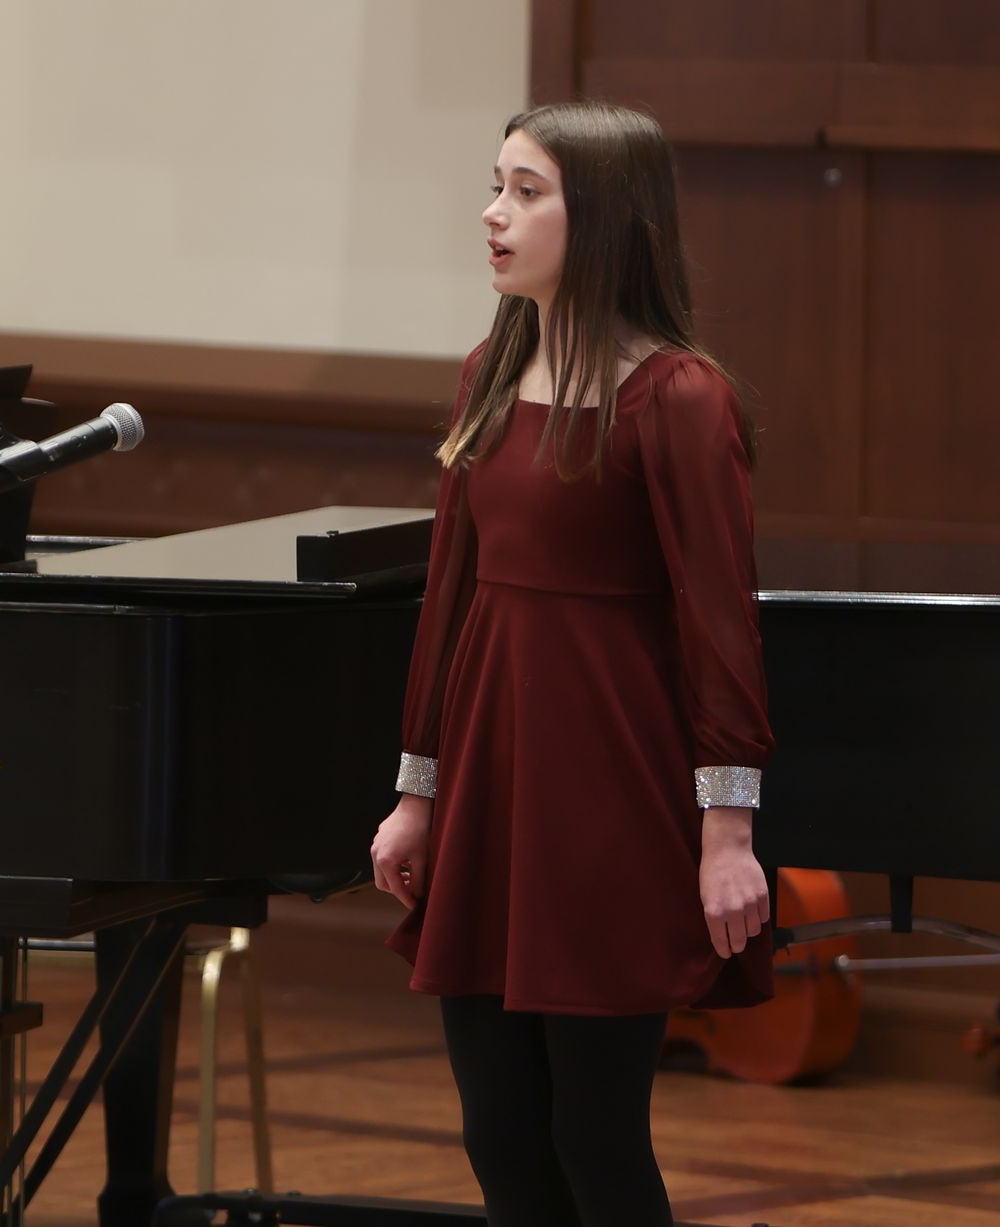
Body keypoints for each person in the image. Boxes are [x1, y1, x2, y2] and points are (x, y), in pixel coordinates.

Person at [368, 102, 774, 1226]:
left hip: (610, 797)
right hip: (494, 787)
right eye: (496, 186)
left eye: (528, 191)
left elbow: (720, 621)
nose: (495, 215)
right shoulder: (488, 372)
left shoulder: (681, 398)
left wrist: (727, 830)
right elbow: (449, 599)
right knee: (500, 1137)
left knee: (594, 1137)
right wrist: (417, 794)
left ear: (604, 218)